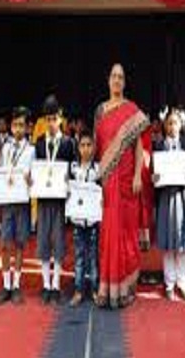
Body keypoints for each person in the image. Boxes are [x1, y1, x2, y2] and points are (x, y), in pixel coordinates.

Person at [94, 63, 150, 309]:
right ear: (108, 80)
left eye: (121, 77)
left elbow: (139, 146)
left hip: (127, 179)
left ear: (124, 82)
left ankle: (124, 288)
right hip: (108, 180)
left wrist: (138, 174)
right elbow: (97, 147)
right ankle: (107, 288)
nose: (117, 80)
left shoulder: (132, 110)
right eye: (114, 76)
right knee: (109, 232)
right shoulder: (100, 111)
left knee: (125, 233)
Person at [0, 106, 35, 306]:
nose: (18, 129)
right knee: (4, 244)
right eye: (15, 125)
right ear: (10, 127)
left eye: (21, 125)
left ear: (27, 128)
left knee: (19, 244)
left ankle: (16, 285)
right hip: (6, 201)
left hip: (22, 201)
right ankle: (6, 285)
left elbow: (35, 175)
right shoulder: (5, 148)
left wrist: (31, 179)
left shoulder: (31, 150)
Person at [34, 95, 75, 305]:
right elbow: (35, 169)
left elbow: (73, 170)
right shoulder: (39, 143)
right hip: (43, 197)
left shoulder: (69, 143)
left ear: (61, 119)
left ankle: (56, 284)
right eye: (48, 119)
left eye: (55, 119)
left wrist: (69, 182)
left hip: (59, 199)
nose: (51, 123)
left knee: (58, 240)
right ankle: (46, 284)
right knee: (43, 240)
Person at [153, 106, 185, 302]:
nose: (172, 126)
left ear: (181, 125)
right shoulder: (159, 146)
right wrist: (154, 178)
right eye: (169, 123)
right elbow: (153, 172)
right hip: (165, 198)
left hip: (182, 196)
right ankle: (169, 283)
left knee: (182, 242)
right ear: (165, 125)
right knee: (168, 241)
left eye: (175, 123)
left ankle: (182, 282)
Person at [69, 128, 101, 308]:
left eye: (89, 145)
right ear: (78, 148)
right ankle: (78, 290)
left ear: (94, 147)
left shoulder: (98, 169)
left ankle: (95, 289)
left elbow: (102, 190)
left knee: (94, 256)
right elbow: (68, 190)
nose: (86, 149)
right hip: (78, 219)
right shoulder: (73, 168)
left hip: (94, 219)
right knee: (79, 256)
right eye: (83, 145)